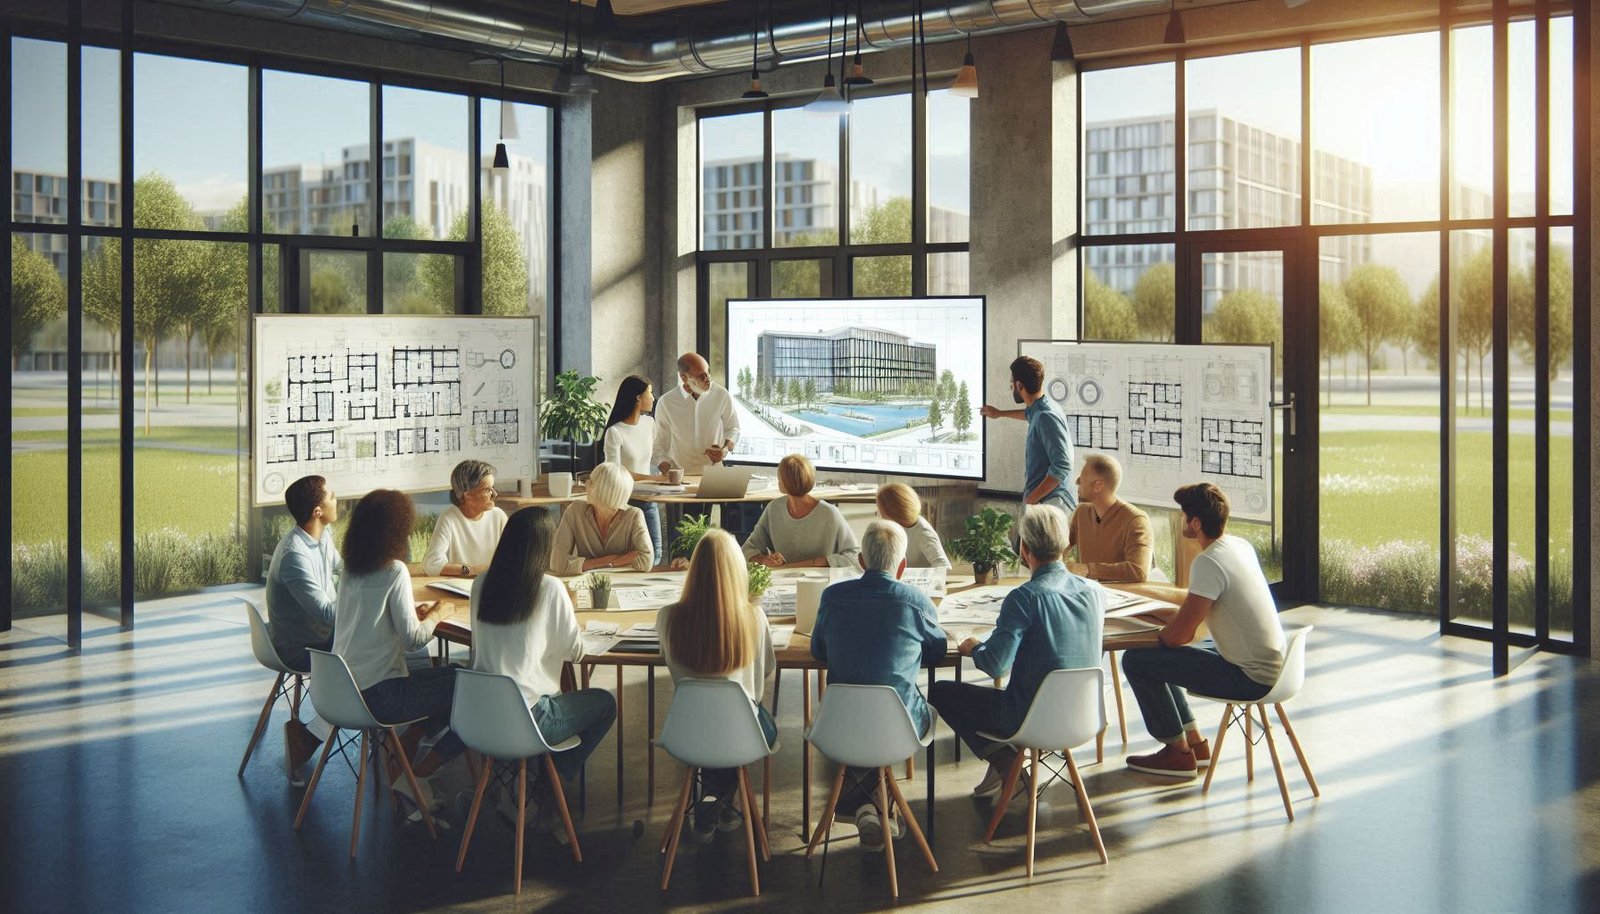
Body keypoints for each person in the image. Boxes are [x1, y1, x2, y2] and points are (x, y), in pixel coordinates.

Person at [929, 504, 1103, 800]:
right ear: (1065, 546)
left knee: (941, 692)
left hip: (1030, 719)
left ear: (1023, 548)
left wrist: (975, 647)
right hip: (1084, 717)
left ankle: (1008, 766)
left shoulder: (1024, 598)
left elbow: (997, 665)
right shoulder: (1093, 591)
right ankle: (1006, 765)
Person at [1122, 483, 1286, 778]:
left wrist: (1144, 635)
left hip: (1249, 678)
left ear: (1195, 522)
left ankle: (1177, 753)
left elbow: (1179, 636)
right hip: (1276, 666)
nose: (1180, 519)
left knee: (1137, 659)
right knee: (1162, 655)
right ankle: (1194, 744)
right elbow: (1196, 610)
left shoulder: (1208, 562)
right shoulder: (1239, 546)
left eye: (1183, 514)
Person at [472, 507, 617, 835]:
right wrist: (571, 612)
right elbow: (576, 653)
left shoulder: (482, 584)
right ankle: (546, 781)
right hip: (529, 719)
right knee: (605, 705)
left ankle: (526, 783)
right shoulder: (550, 589)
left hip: (478, 715)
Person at [810, 521, 947, 851]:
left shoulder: (832, 597)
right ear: (901, 567)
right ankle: (876, 808)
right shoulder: (916, 602)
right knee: (890, 713)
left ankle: (867, 806)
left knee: (864, 714)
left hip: (838, 725)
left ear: (861, 561)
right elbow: (938, 651)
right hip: (898, 726)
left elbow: (818, 651)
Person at [332, 489, 461, 812]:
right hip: (380, 697)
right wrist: (437, 613)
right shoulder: (394, 571)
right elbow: (414, 641)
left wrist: (409, 613)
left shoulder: (350, 569)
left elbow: (366, 619)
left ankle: (408, 744)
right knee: (470, 682)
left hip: (341, 691)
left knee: (457, 676)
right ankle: (418, 772)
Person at [656, 530, 777, 842]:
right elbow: (766, 674)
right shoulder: (755, 616)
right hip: (743, 731)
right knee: (743, 717)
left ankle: (711, 801)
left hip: (687, 730)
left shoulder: (667, 618)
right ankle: (724, 802)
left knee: (713, 722)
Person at [264, 474, 342, 774]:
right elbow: (325, 611)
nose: (336, 497)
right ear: (317, 511)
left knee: (376, 650)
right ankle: (308, 737)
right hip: (302, 647)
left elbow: (342, 567)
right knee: (369, 655)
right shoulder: (294, 556)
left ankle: (309, 736)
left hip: (323, 636)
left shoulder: (323, 536)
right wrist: (363, 606)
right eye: (330, 495)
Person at [980, 356, 1076, 514]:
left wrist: (1032, 499)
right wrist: (999, 413)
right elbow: (1029, 414)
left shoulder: (1046, 416)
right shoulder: (1043, 407)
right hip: (1045, 502)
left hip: (1050, 505)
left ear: (1019, 385)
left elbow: (1062, 465)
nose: (1011, 387)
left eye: (1012, 383)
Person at [743, 454, 860, 569]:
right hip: (783, 582)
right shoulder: (773, 509)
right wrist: (765, 560)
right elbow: (748, 549)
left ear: (784, 481)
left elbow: (854, 556)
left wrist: (812, 563)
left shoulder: (829, 513)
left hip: (821, 584)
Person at [549, 462, 654, 575]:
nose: (586, 484)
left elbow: (647, 560)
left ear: (604, 491)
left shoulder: (634, 515)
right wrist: (611, 561)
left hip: (623, 584)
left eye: (592, 481)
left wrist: (582, 564)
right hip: (585, 582)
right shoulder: (575, 511)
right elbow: (556, 562)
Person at [603, 375, 665, 566]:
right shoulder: (614, 432)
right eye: (650, 392)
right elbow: (616, 472)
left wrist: (667, 469)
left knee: (654, 556)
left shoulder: (649, 424)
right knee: (628, 556)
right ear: (638, 397)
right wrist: (654, 479)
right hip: (624, 503)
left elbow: (656, 455)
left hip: (647, 500)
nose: (653, 398)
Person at [1066, 453, 1153, 583]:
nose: (1077, 482)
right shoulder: (1081, 512)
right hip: (1088, 593)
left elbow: (1138, 570)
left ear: (1098, 486)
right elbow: (1061, 546)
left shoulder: (1136, 520)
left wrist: (1088, 569)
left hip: (1121, 598)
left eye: (1082, 478)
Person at [653, 352, 740, 477]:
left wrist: (724, 449)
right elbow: (658, 443)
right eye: (701, 376)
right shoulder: (666, 402)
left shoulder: (721, 395)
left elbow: (733, 429)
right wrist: (665, 467)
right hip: (679, 476)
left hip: (714, 475)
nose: (708, 380)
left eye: (708, 373)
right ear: (684, 378)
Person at [422, 460, 509, 577]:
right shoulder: (450, 518)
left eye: (493, 488)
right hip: (460, 589)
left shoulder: (498, 516)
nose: (494, 494)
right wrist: (473, 570)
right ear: (467, 496)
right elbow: (431, 564)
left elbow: (513, 558)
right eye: (487, 489)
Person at [875, 483, 951, 570]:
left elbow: (944, 568)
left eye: (879, 509)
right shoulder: (894, 527)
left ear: (892, 511)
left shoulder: (922, 532)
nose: (879, 514)